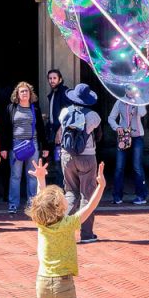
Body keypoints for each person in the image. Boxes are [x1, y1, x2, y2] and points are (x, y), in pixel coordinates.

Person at [26, 157, 105, 298]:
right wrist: (100, 186)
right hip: (63, 283)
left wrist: (41, 179)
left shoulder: (41, 224)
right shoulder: (69, 224)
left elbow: (43, 203)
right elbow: (90, 206)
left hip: (42, 281)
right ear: (61, 208)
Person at [58, 83, 101, 243]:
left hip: (67, 156)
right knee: (87, 194)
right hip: (87, 157)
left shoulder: (64, 113)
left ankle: (62, 229)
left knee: (70, 192)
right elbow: (94, 131)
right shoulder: (94, 116)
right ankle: (87, 234)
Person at [1, 82, 47, 214]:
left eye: (26, 91)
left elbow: (41, 129)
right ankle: (13, 204)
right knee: (15, 175)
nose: (24, 93)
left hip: (32, 145)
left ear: (30, 94)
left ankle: (32, 203)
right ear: (17, 94)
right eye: (22, 91)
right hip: (16, 145)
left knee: (32, 175)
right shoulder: (11, 108)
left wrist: (45, 146)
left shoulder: (35, 109)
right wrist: (4, 147)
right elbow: (5, 129)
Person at [108, 98, 147, 205]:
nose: (130, 90)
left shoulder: (138, 100)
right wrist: (117, 127)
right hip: (123, 136)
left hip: (137, 136)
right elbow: (111, 118)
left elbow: (143, 113)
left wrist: (139, 99)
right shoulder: (119, 101)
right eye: (128, 88)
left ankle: (141, 196)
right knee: (119, 167)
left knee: (137, 166)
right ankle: (117, 196)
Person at [45, 69, 70, 187]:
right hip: (53, 132)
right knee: (56, 162)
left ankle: (63, 192)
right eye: (50, 78)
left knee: (61, 163)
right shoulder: (53, 93)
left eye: (54, 78)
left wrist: (60, 131)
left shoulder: (64, 92)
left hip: (62, 134)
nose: (52, 80)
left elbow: (68, 114)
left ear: (60, 79)